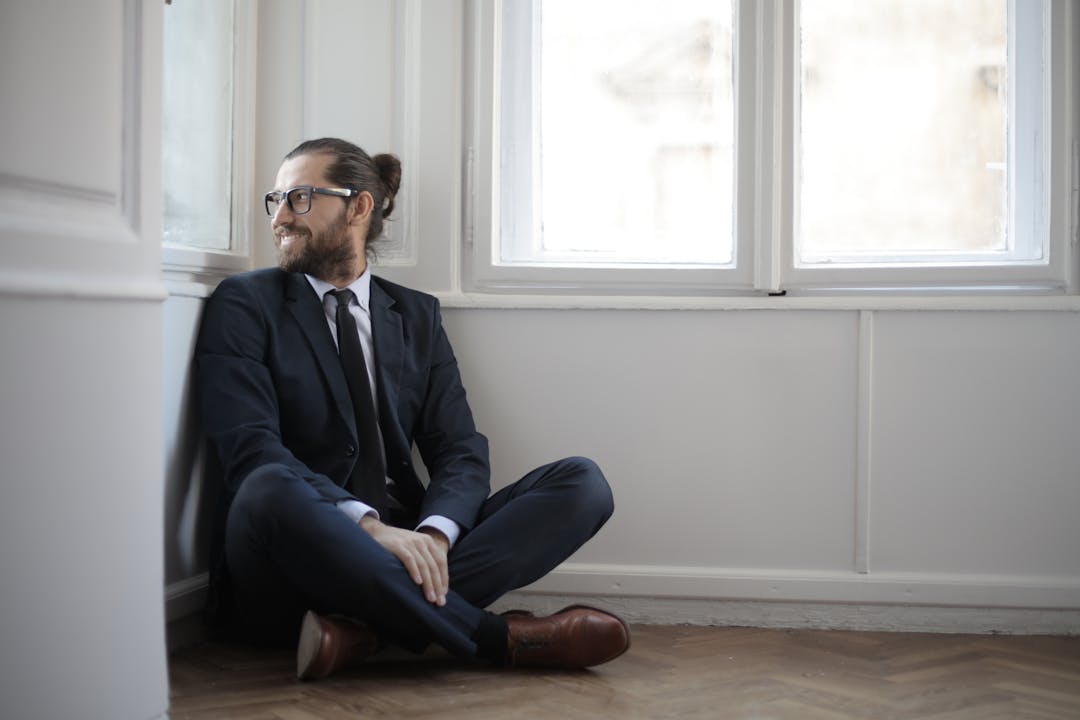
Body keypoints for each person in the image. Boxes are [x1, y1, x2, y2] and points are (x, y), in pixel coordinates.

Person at [195, 137, 629, 680]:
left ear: (358, 206)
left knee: (582, 484)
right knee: (267, 486)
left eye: (300, 198)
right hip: (295, 553)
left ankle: (361, 632)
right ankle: (497, 639)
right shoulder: (245, 302)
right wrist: (370, 529)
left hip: (407, 540)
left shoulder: (416, 315)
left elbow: (459, 449)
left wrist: (434, 535)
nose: (280, 217)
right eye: (276, 200)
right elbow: (250, 449)